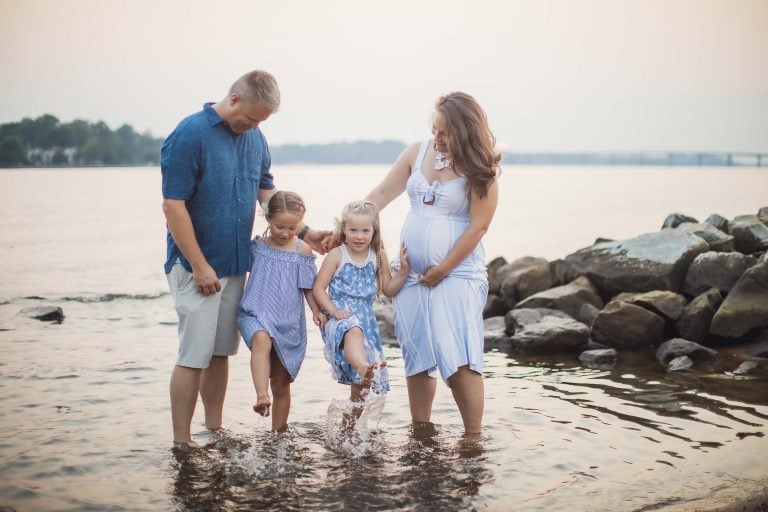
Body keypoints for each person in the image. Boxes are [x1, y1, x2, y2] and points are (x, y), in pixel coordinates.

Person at [161, 70, 327, 447]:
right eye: (252, 117)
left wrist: (306, 233)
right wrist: (200, 265)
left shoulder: (255, 138)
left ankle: (214, 431)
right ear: (234, 99)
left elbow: (268, 195)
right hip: (195, 266)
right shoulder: (190, 134)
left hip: (236, 265)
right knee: (193, 354)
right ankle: (182, 444)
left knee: (220, 352)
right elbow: (173, 206)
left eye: (261, 121)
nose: (254, 126)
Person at [362, 92, 500, 435]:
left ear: (465, 132)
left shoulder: (480, 169)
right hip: (410, 274)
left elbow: (479, 226)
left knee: (457, 354)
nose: (436, 138)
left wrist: (445, 268)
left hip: (458, 273)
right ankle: (420, 431)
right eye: (434, 129)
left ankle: (473, 437)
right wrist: (344, 227)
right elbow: (380, 195)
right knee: (417, 352)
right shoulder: (416, 152)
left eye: (445, 133)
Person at [236, 191, 324, 431]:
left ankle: (278, 435)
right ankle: (261, 396)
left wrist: (316, 310)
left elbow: (308, 288)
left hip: (288, 321)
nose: (285, 233)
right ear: (268, 219)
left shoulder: (302, 251)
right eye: (279, 226)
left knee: (282, 383)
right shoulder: (257, 247)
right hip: (255, 311)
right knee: (261, 338)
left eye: (292, 228)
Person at [313, 200, 410, 404]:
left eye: (365, 231)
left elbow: (388, 290)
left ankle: (350, 432)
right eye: (353, 230)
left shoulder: (378, 256)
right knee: (353, 330)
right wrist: (333, 310)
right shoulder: (337, 255)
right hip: (341, 319)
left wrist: (403, 272)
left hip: (367, 321)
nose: (359, 236)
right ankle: (361, 366)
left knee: (361, 392)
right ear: (344, 230)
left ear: (374, 231)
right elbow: (318, 288)